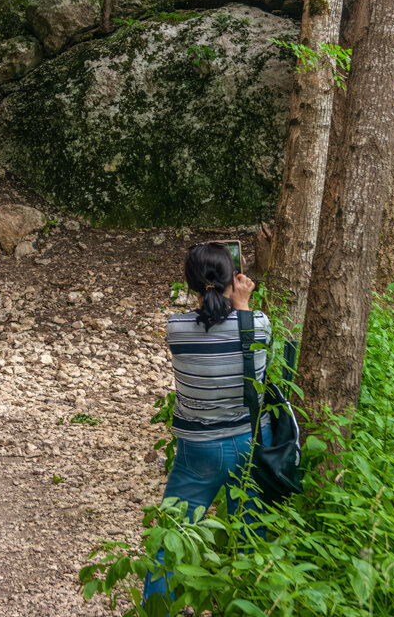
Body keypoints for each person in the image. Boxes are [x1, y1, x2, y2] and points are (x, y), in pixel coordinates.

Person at [141, 241, 273, 608]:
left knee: (171, 538)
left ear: (191, 284)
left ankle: (157, 610)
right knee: (249, 540)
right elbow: (258, 360)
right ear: (235, 278)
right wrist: (243, 305)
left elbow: (206, 324)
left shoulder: (176, 329)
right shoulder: (258, 324)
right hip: (249, 444)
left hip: (198, 450)